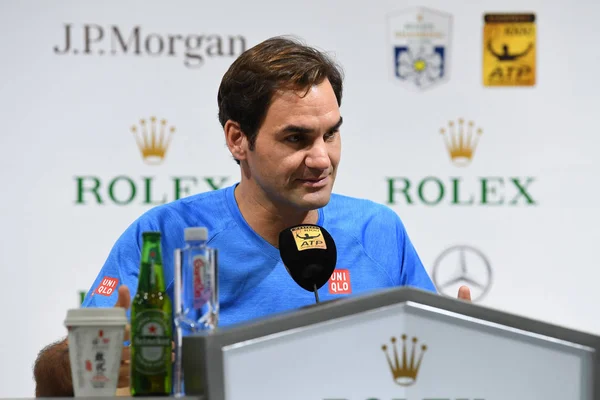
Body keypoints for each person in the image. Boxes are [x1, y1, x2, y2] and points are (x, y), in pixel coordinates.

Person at [33, 35, 471, 396]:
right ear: (238, 139)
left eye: (331, 134)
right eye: (297, 138)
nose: (322, 159)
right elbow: (55, 378)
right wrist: (87, 366)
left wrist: (464, 348)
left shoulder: (378, 230)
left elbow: (430, 372)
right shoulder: (166, 235)